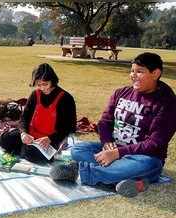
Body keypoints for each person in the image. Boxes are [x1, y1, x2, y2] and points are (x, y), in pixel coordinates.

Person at [50, 52, 176, 197]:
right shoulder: (121, 93)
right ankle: (128, 181)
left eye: (140, 72)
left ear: (155, 73)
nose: (133, 75)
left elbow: (155, 143)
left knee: (148, 165)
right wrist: (106, 142)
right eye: (132, 71)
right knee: (78, 149)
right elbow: (105, 122)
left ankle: (81, 173)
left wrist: (118, 154)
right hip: (113, 148)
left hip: (141, 156)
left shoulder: (168, 103)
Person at [0, 63, 77, 163]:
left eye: (45, 84)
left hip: (51, 139)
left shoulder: (65, 98)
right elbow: (24, 117)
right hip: (31, 136)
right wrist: (23, 133)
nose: (42, 88)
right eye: (39, 85)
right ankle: (24, 149)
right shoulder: (35, 94)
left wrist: (50, 138)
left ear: (52, 81)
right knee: (3, 140)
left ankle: (23, 150)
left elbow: (69, 127)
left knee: (33, 154)